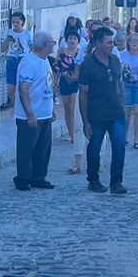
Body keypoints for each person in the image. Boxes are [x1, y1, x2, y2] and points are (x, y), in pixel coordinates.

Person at [79, 27, 128, 196]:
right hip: (96, 115)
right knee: (94, 148)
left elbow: (119, 83)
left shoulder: (115, 60)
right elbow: (83, 94)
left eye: (112, 42)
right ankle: (93, 180)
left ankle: (116, 182)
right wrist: (85, 121)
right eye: (109, 42)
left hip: (116, 113)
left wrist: (123, 104)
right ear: (98, 44)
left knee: (119, 146)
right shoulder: (87, 65)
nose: (112, 45)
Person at [13, 31, 56, 191]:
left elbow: (47, 85)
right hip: (30, 116)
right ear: (44, 44)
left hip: (45, 113)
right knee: (27, 148)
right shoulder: (29, 62)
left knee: (43, 149)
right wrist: (30, 114)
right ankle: (23, 179)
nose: (54, 44)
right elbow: (23, 89)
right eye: (52, 42)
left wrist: (51, 109)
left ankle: (38, 177)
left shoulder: (45, 61)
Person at [55, 32, 83, 173]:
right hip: (64, 82)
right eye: (70, 38)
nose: (72, 40)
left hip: (76, 83)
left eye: (74, 38)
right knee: (67, 108)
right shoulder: (61, 53)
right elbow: (57, 69)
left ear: (78, 41)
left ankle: (75, 133)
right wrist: (55, 84)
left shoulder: (80, 53)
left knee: (73, 106)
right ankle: (71, 133)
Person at [118, 31, 138, 150]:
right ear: (128, 42)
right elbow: (118, 72)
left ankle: (137, 139)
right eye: (133, 40)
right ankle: (125, 135)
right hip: (126, 85)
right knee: (126, 113)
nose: (135, 43)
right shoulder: (122, 55)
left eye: (137, 41)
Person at [2, 11, 32, 111]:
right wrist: (7, 41)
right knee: (11, 88)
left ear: (22, 22)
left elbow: (32, 48)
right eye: (13, 22)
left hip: (23, 60)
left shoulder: (27, 33)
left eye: (17, 22)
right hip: (11, 60)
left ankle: (25, 107)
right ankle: (16, 107)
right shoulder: (8, 32)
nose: (15, 24)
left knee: (24, 86)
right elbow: (2, 49)